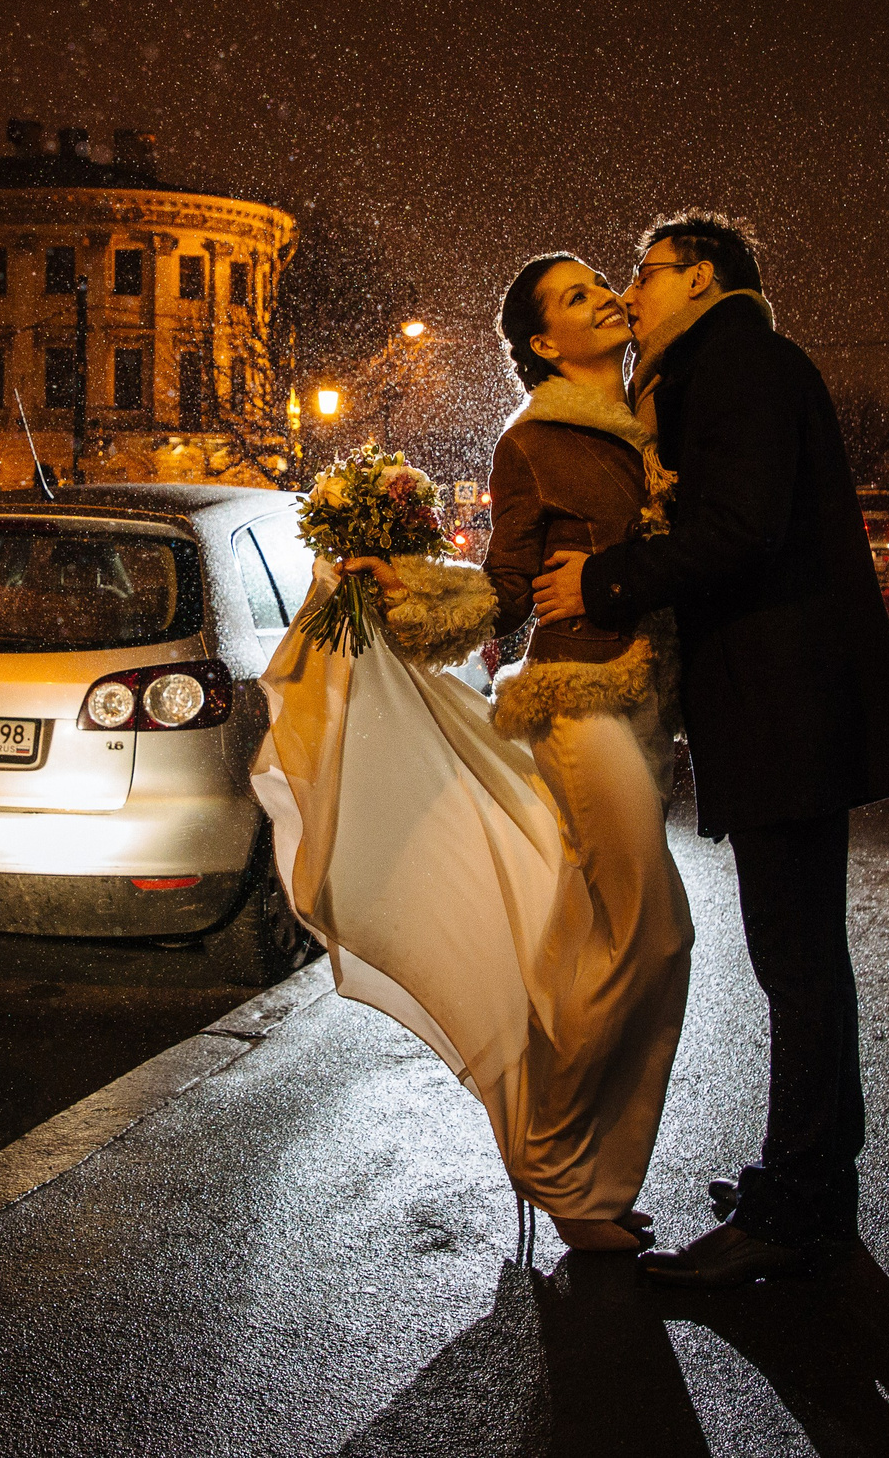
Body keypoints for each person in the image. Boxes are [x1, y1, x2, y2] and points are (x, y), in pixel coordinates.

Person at [533, 212, 889, 1287]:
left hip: (785, 704)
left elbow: (741, 528)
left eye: (644, 271)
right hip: (785, 703)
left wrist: (604, 582)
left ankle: (795, 1210)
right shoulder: (730, 367)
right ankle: (808, 1183)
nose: (631, 291)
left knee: (796, 963)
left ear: (699, 279)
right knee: (802, 961)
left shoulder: (737, 364)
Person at [259, 253, 689, 1256]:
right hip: (575, 699)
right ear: (543, 345)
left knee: (600, 940)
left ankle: (594, 1181)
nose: (607, 298)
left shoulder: (647, 420)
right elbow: (502, 588)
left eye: (603, 285)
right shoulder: (534, 440)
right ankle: (550, 1158)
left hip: (643, 707)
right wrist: (403, 584)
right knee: (651, 934)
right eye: (579, 298)